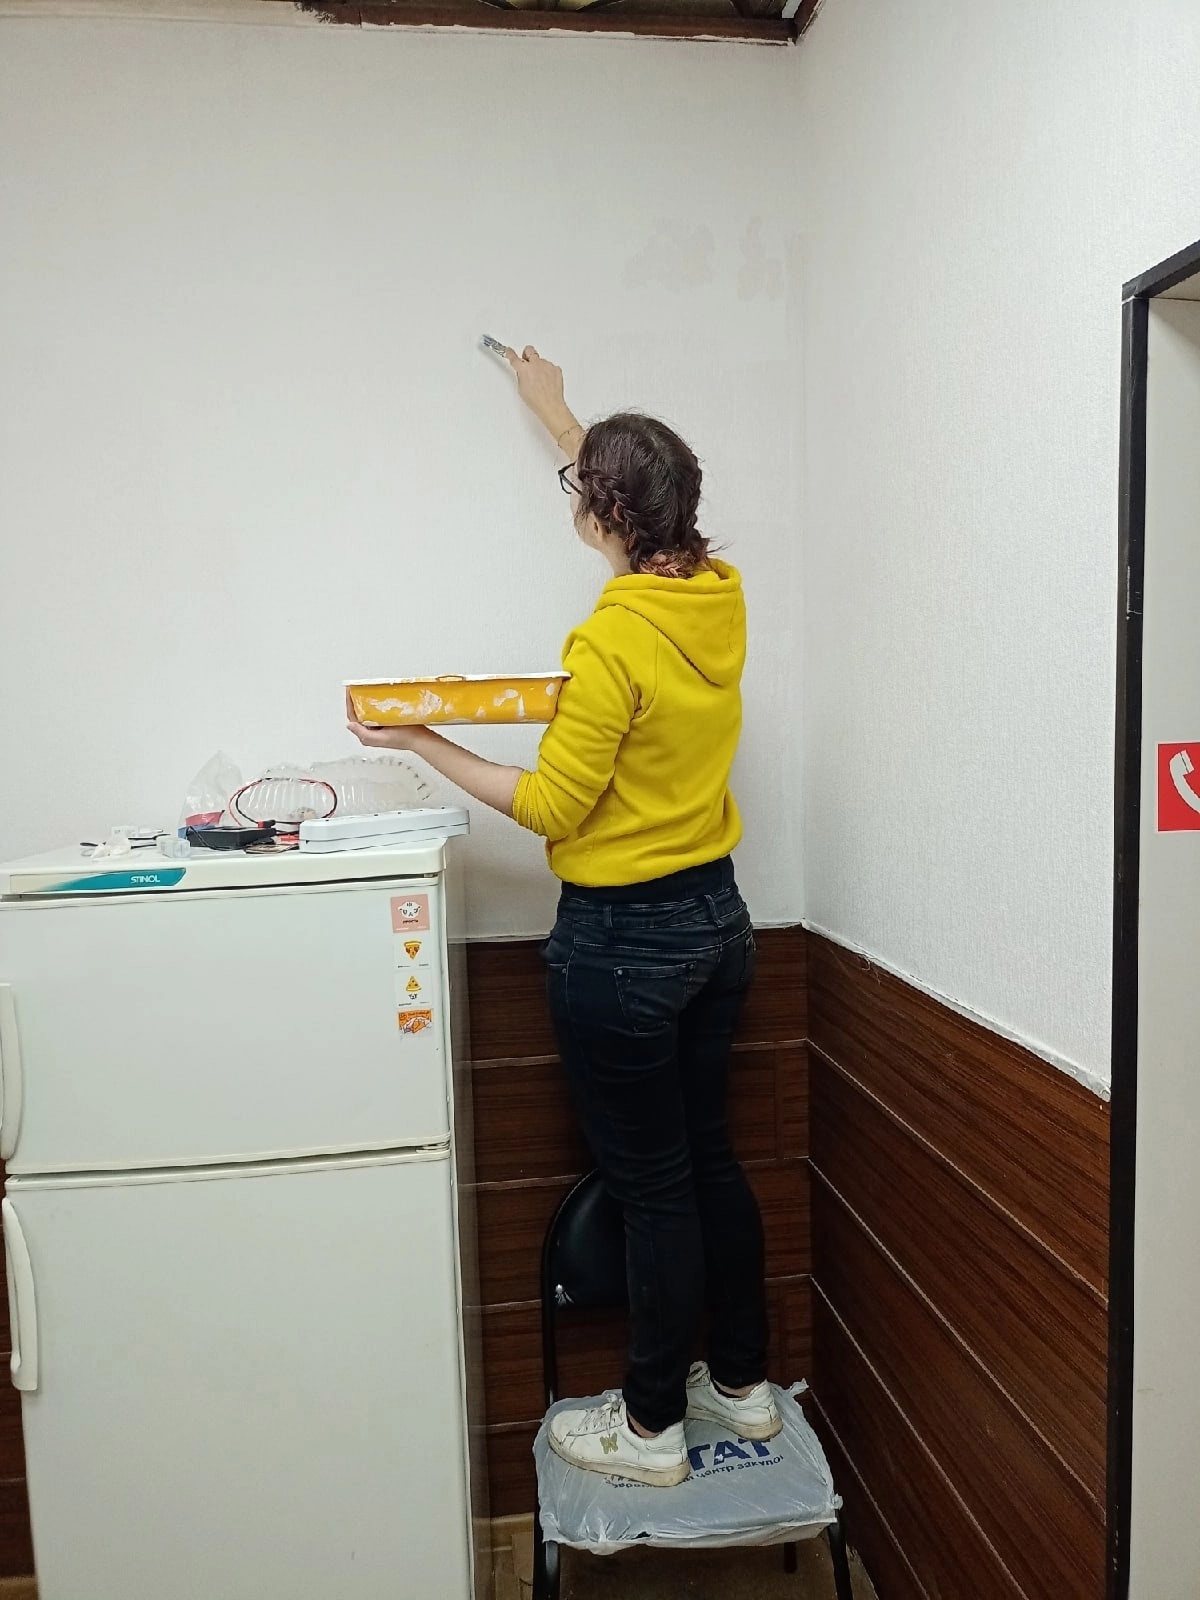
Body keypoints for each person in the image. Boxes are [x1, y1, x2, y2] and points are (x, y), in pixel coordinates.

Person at [347, 346, 778, 1489]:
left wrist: (423, 741)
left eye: (581, 490)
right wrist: (557, 412)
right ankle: (743, 1383)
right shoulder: (719, 598)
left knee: (653, 1189)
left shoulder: (612, 639)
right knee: (709, 1159)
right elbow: (634, 495)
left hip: (626, 944)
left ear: (601, 514)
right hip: (718, 920)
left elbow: (549, 804)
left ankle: (651, 1429)